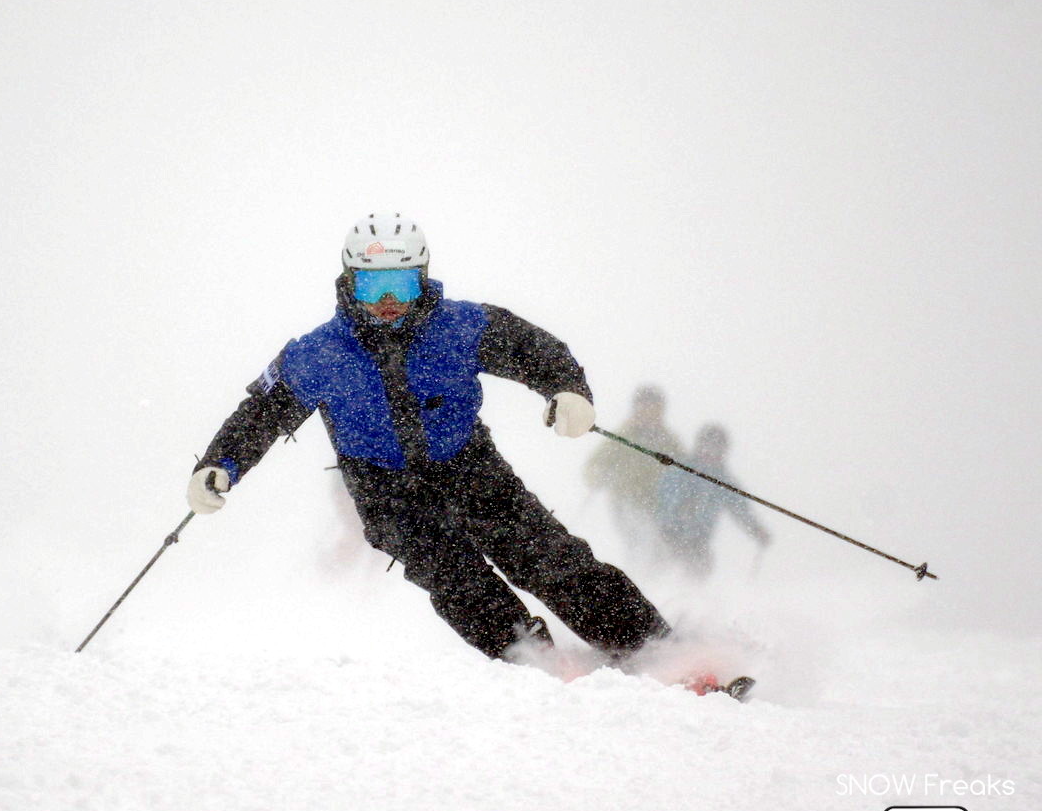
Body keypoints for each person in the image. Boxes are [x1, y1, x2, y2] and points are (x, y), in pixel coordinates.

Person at [187, 212, 668, 662]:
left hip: (469, 464)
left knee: (544, 555)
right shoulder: (319, 353)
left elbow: (532, 348)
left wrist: (567, 391)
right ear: (349, 282)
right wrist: (218, 463)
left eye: (400, 283)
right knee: (457, 579)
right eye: (373, 286)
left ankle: (653, 650)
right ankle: (533, 662)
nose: (388, 301)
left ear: (423, 277)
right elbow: (263, 412)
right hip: (384, 488)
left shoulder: (461, 325)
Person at [655, 423, 771, 577]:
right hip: (670, 532)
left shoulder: (724, 479)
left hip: (700, 537)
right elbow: (665, 493)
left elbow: (739, 509)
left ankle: (693, 597)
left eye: (717, 448)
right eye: (707, 446)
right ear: (698, 446)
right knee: (664, 569)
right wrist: (678, 506)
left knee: (700, 569)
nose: (711, 452)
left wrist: (755, 529)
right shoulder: (681, 468)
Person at [584, 384, 683, 560]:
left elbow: (685, 469)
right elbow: (595, 464)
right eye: (645, 407)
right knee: (639, 543)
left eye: (654, 408)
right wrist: (598, 477)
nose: (649, 412)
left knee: (656, 548)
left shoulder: (669, 440)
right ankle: (640, 574)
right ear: (636, 408)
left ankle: (654, 578)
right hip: (626, 501)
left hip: (657, 504)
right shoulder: (623, 436)